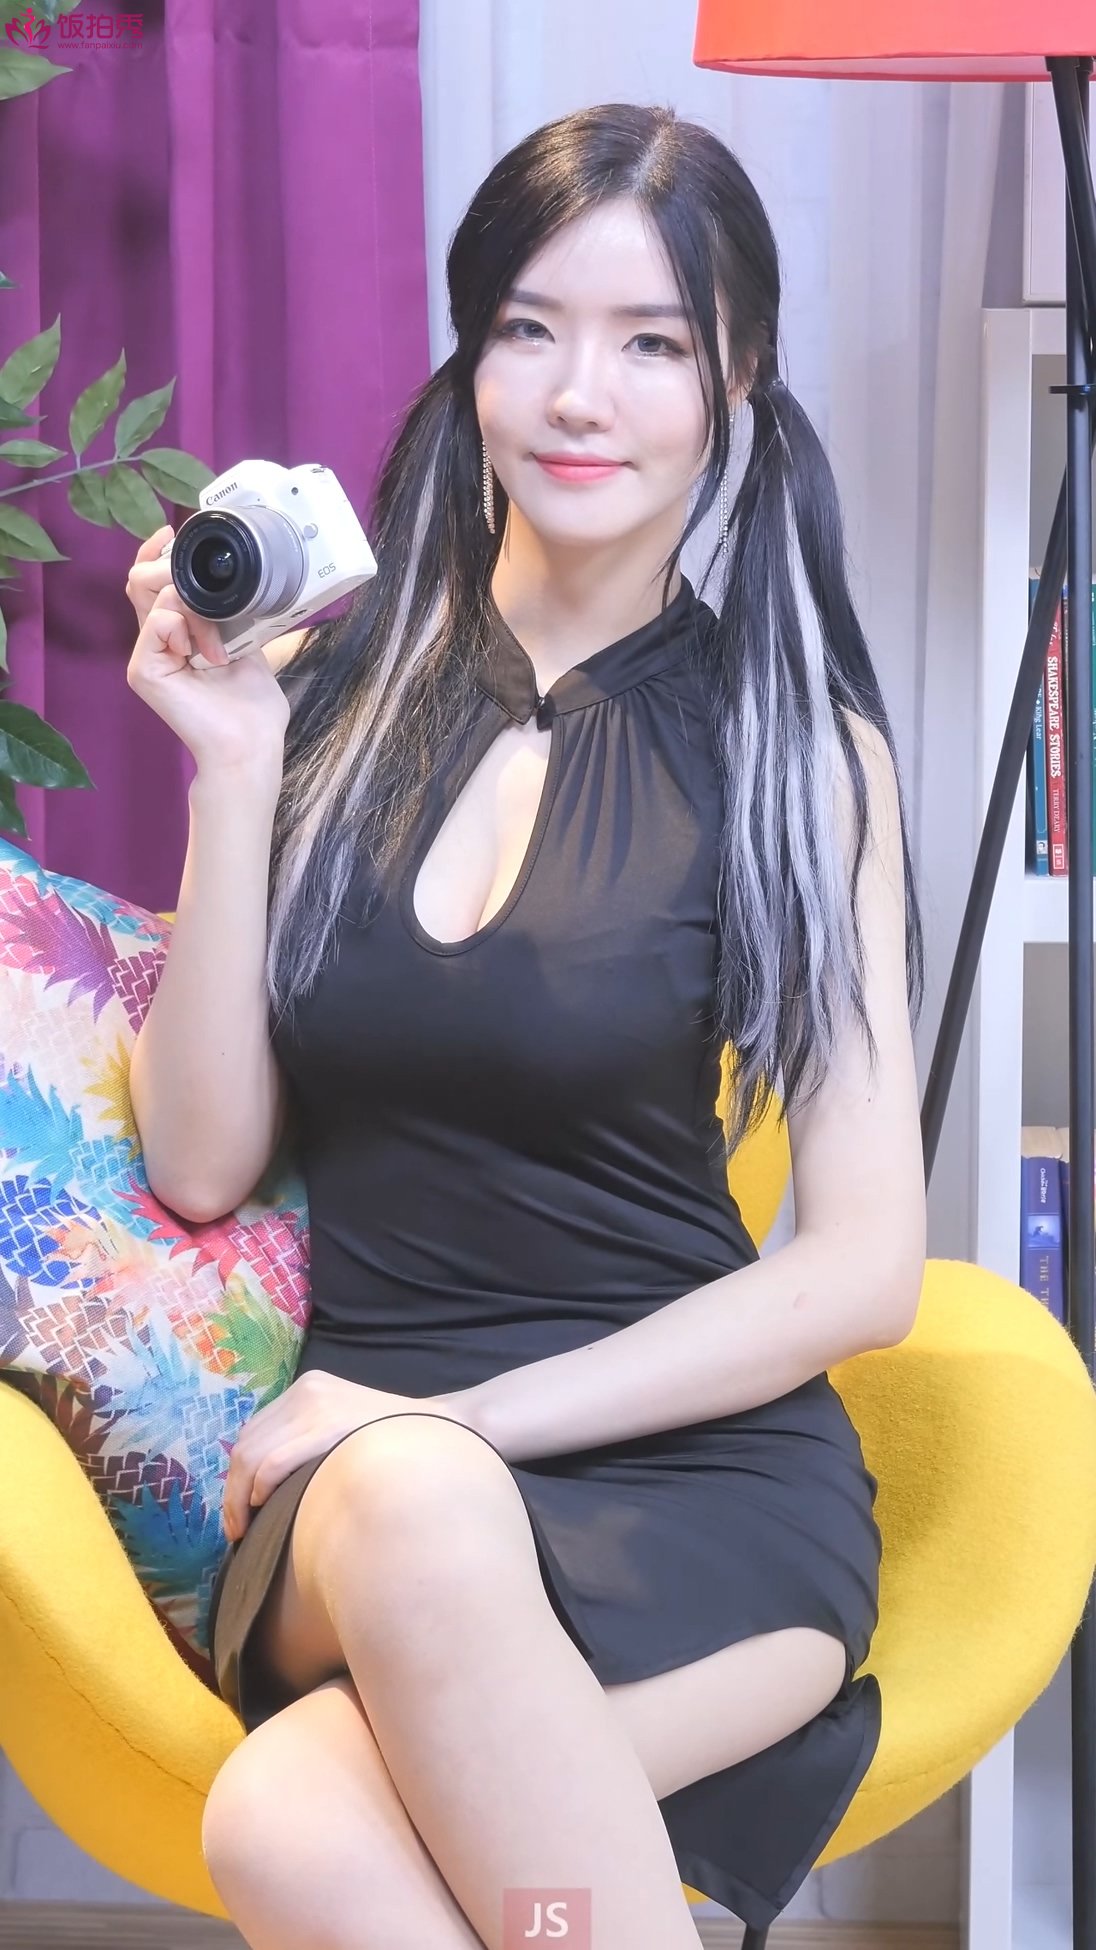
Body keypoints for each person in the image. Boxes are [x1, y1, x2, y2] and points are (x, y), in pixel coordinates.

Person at [124, 100, 927, 1950]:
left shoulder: (800, 753)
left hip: (700, 1482)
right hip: (362, 1507)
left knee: (291, 1827)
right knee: (417, 1513)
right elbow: (200, 1160)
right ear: (471, 352)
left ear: (736, 378)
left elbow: (864, 1265)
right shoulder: (326, 691)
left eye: (652, 344)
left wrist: (455, 1418)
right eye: (530, 329)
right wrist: (233, 774)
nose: (580, 395)